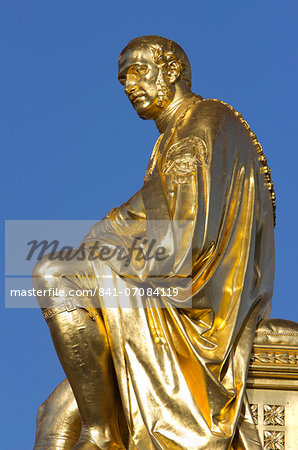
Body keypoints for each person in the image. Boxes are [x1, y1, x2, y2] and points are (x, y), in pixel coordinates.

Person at [33, 35, 276, 449]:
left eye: (138, 72)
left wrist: (106, 234)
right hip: (178, 284)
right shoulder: (185, 130)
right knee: (54, 414)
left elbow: (185, 235)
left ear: (172, 70)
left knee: (53, 273)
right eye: (123, 79)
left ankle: (102, 432)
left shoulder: (201, 123)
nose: (129, 86)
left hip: (197, 296)